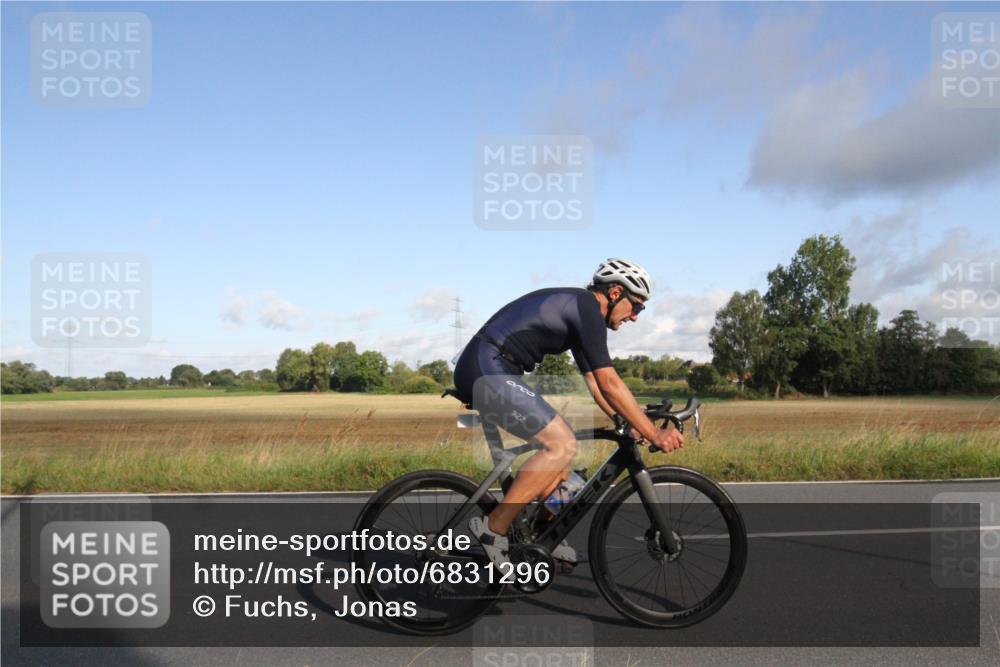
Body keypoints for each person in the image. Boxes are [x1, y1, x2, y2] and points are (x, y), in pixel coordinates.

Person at [453, 259, 684, 566]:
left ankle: (543, 536)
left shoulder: (583, 313)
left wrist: (628, 422)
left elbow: (596, 384)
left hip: (495, 368)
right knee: (561, 443)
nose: (635, 317)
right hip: (486, 367)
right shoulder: (586, 308)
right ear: (616, 292)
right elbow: (610, 381)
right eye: (637, 307)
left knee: (567, 478)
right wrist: (652, 431)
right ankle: (493, 530)